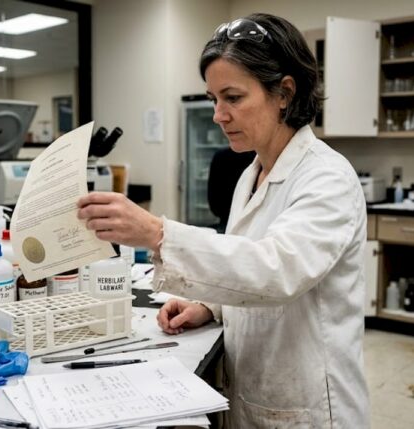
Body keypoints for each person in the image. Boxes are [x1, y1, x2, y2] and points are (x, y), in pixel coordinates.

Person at [77, 13, 368, 428]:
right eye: (214, 98)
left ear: (284, 93)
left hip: (309, 407)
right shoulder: (251, 175)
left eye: (232, 98)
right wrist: (209, 306)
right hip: (255, 392)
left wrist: (157, 234)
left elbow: (277, 270)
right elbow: (243, 262)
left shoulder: (328, 178)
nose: (218, 114)